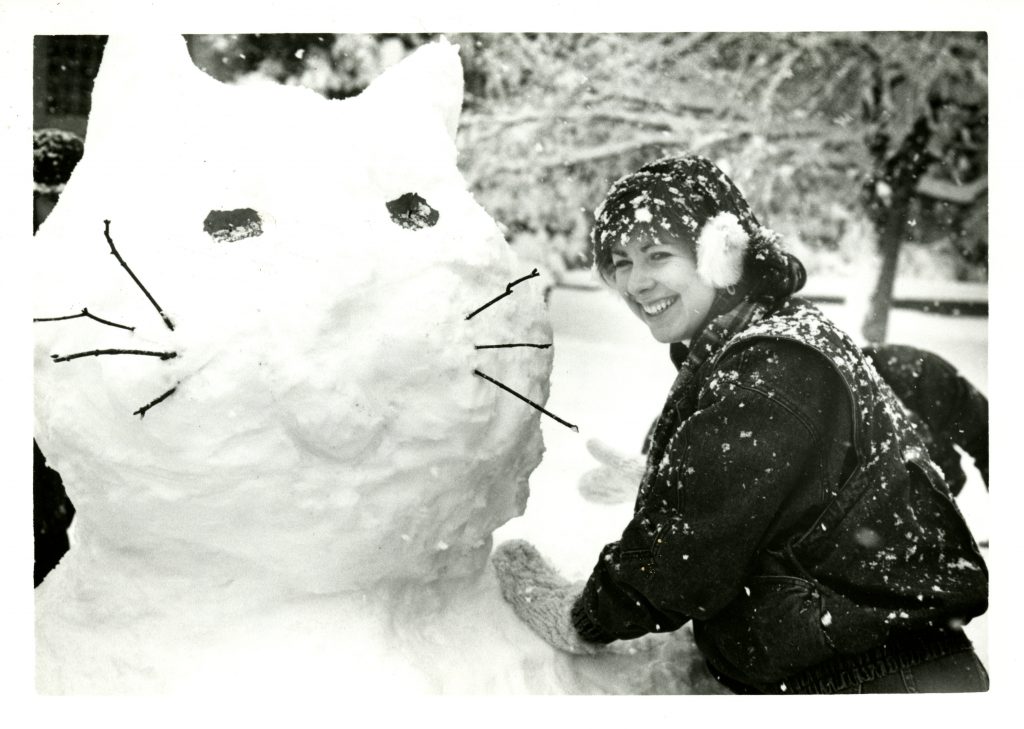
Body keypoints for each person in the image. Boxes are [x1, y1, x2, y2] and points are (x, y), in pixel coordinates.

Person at [492, 154, 988, 694]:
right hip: (874, 672)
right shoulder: (766, 348)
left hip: (872, 683)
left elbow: (685, 559)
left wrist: (583, 615)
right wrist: (672, 476)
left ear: (720, 255)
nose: (637, 281)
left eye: (658, 255)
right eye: (621, 261)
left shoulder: (769, 366)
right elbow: (780, 502)